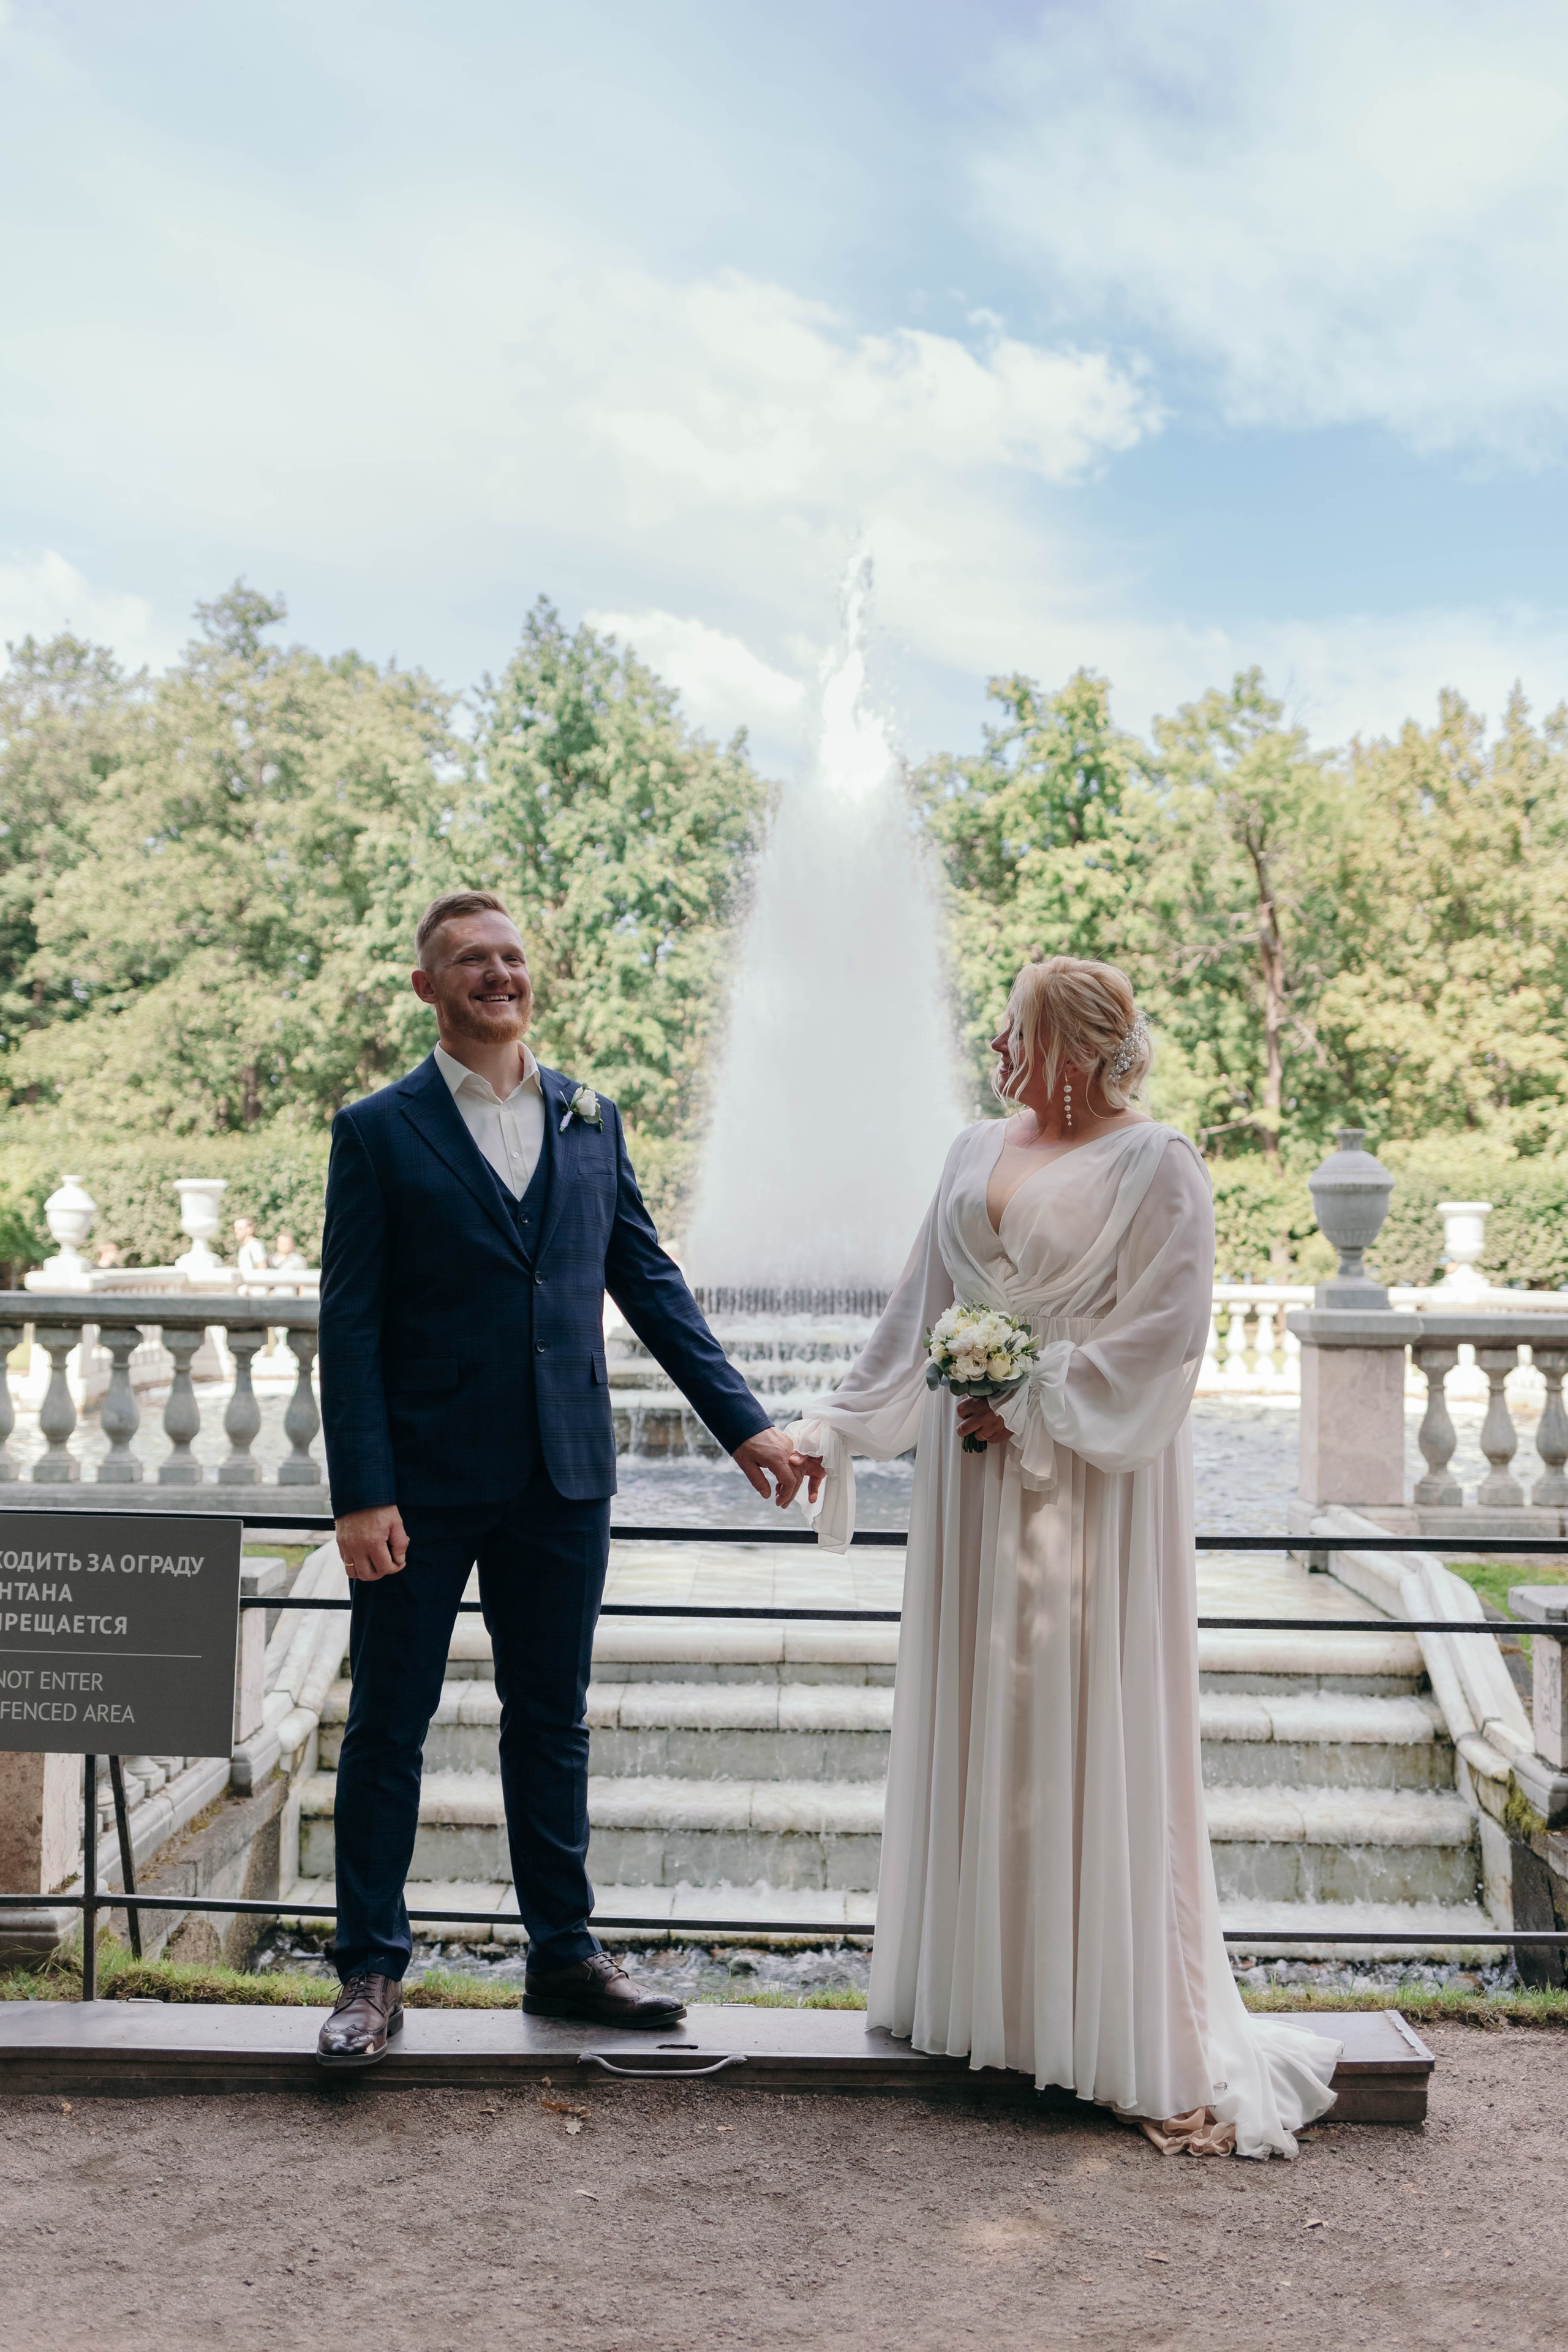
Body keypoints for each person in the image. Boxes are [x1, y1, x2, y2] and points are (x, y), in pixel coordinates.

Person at [786, 956, 1339, 2158]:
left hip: (1084, 1495)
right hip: (970, 1501)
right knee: (983, 1721)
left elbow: (1165, 1333)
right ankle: (986, 2004)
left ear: (1082, 1049)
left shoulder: (1157, 1165)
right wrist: (837, 1422)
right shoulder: (968, 1147)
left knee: (1080, 1729)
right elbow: (911, 1309)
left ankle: (1104, 2024)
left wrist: (1030, 1389)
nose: (998, 1054)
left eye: (1019, 1034)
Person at [315, 888, 805, 2066]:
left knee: (552, 1723)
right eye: (470, 961)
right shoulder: (378, 1130)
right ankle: (372, 1974)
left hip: (563, 1477)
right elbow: (352, 1324)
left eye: (512, 957)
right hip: (419, 1486)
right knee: (389, 1726)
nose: (499, 973)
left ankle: (565, 1958)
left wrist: (745, 1430)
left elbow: (650, 1284)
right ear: (426, 987)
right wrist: (360, 1492)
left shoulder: (593, 1117)